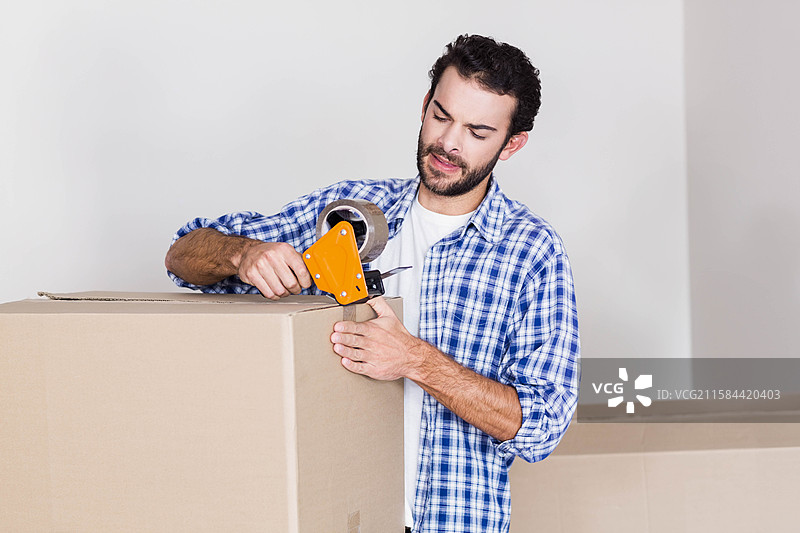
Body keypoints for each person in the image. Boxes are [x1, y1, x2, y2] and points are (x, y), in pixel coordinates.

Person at [165, 34, 579, 533]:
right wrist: (242, 253)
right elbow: (182, 255)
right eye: (442, 116)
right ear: (426, 105)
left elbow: (541, 427)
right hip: (335, 517)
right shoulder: (349, 211)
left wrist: (415, 360)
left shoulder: (531, 252)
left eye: (478, 131)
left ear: (511, 144)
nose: (449, 143)